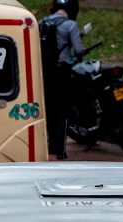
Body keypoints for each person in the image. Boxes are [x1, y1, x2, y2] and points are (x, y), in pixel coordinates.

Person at [41, 0, 85, 159]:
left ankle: (49, 145)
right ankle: (59, 148)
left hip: (45, 72)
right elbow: (79, 49)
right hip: (62, 72)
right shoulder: (70, 25)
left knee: (50, 109)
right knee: (62, 110)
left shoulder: (42, 23)